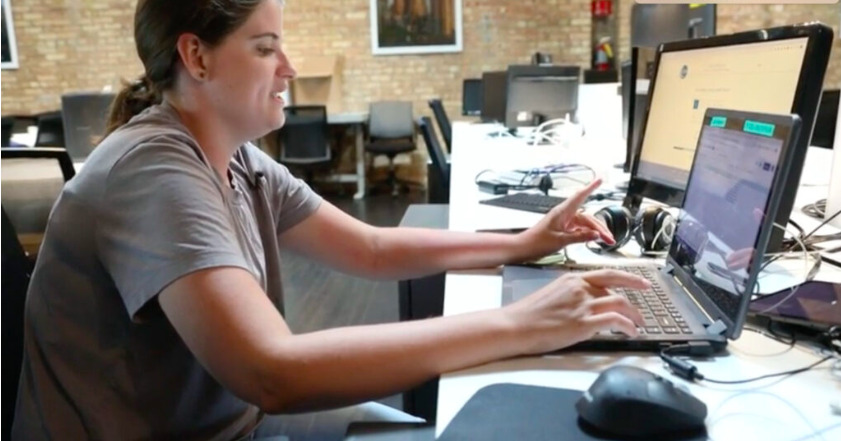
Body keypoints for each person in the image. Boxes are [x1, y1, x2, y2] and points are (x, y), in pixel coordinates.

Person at [11, 1, 648, 440]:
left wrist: (519, 243)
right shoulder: (154, 170)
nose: (288, 67)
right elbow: (273, 372)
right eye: (266, 48)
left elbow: (370, 248)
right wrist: (516, 323)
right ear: (196, 58)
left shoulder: (237, 160)